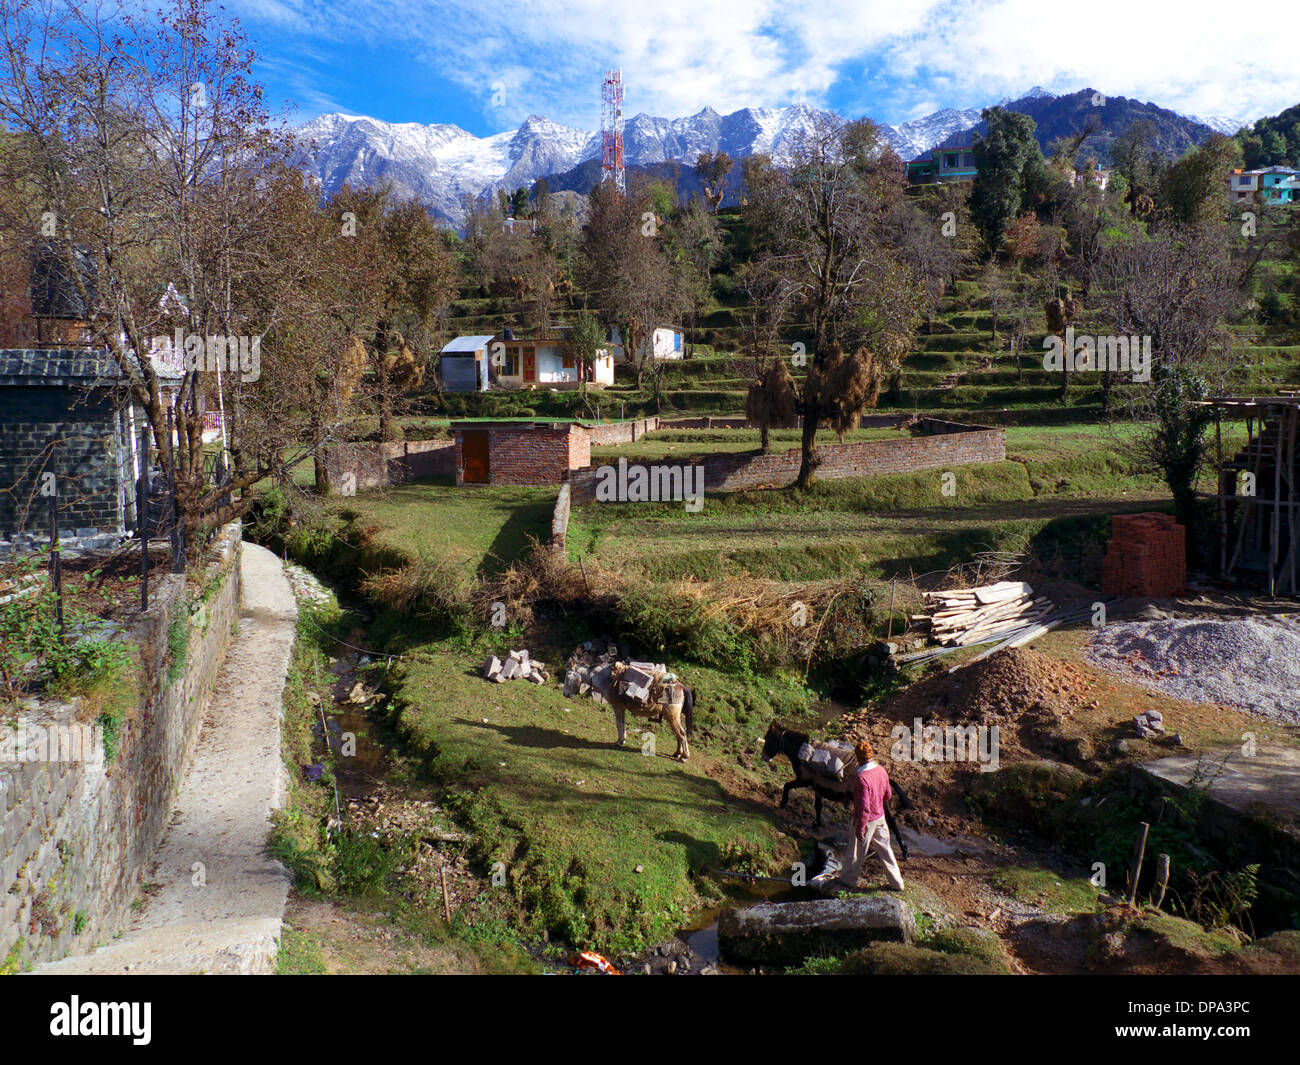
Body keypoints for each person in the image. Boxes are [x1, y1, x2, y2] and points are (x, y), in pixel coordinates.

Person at [814, 739, 905, 893]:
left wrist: (860, 829)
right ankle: (897, 883)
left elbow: (863, 808)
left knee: (855, 852)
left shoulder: (862, 779)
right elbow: (888, 795)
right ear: (871, 755)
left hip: (865, 820)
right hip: (880, 818)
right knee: (886, 850)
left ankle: (847, 882)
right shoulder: (881, 770)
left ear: (858, 757)